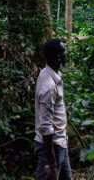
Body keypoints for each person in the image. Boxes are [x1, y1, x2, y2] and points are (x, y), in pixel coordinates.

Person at [34, 38, 73, 180]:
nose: (66, 55)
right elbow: (46, 127)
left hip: (60, 143)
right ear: (58, 57)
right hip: (52, 147)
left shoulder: (47, 73)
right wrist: (52, 163)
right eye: (64, 52)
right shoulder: (49, 86)